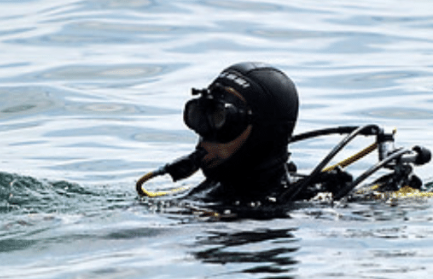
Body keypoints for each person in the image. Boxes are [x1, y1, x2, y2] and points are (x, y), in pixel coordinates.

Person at [137, 62, 430, 206]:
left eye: (220, 120)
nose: (205, 138)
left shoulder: (301, 207)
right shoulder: (208, 190)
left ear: (263, 134)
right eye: (201, 116)